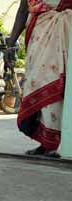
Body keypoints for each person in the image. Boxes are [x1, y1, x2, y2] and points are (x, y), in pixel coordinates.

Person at [7, 0, 71, 157]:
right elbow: (23, 9)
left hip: (65, 33)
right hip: (39, 35)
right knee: (37, 84)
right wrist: (11, 42)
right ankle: (46, 142)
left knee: (61, 86)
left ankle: (60, 143)